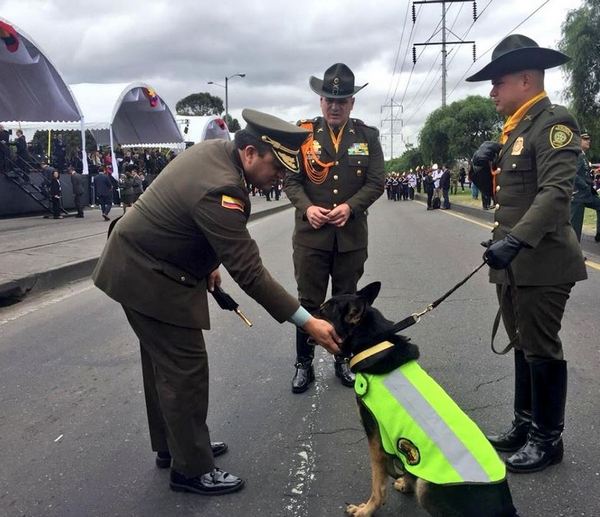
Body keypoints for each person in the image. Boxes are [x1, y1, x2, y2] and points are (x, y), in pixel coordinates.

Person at [92, 109, 341, 496]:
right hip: (148, 276)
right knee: (185, 369)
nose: (281, 177)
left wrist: (206, 264)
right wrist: (308, 322)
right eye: (276, 167)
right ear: (250, 155)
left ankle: (173, 447)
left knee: (163, 366)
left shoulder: (216, 152)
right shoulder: (222, 188)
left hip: (141, 263)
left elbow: (183, 215)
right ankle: (190, 469)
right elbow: (251, 273)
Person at [467, 34, 587, 473]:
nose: (492, 91)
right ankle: (524, 422)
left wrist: (515, 241)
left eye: (498, 82)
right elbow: (507, 198)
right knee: (521, 344)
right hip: (514, 262)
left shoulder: (555, 122)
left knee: (541, 347)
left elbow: (556, 194)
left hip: (543, 260)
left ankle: (547, 437)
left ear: (524, 79)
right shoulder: (516, 128)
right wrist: (482, 173)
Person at [284, 63, 385, 393]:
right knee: (308, 302)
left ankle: (343, 360)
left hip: (350, 239)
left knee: (348, 304)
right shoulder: (303, 135)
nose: (335, 105)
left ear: (352, 102)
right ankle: (304, 363)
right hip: (311, 239)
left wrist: (351, 207)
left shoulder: (367, 136)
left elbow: (376, 181)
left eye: (342, 100)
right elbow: (291, 180)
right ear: (320, 101)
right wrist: (307, 207)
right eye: (329, 99)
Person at [570, 130, 600, 242]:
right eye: (585, 139)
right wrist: (585, 185)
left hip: (586, 194)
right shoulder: (577, 155)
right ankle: (574, 253)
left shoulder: (583, 156)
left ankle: (599, 234)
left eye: (589, 139)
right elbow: (574, 174)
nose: (588, 141)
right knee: (575, 225)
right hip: (578, 195)